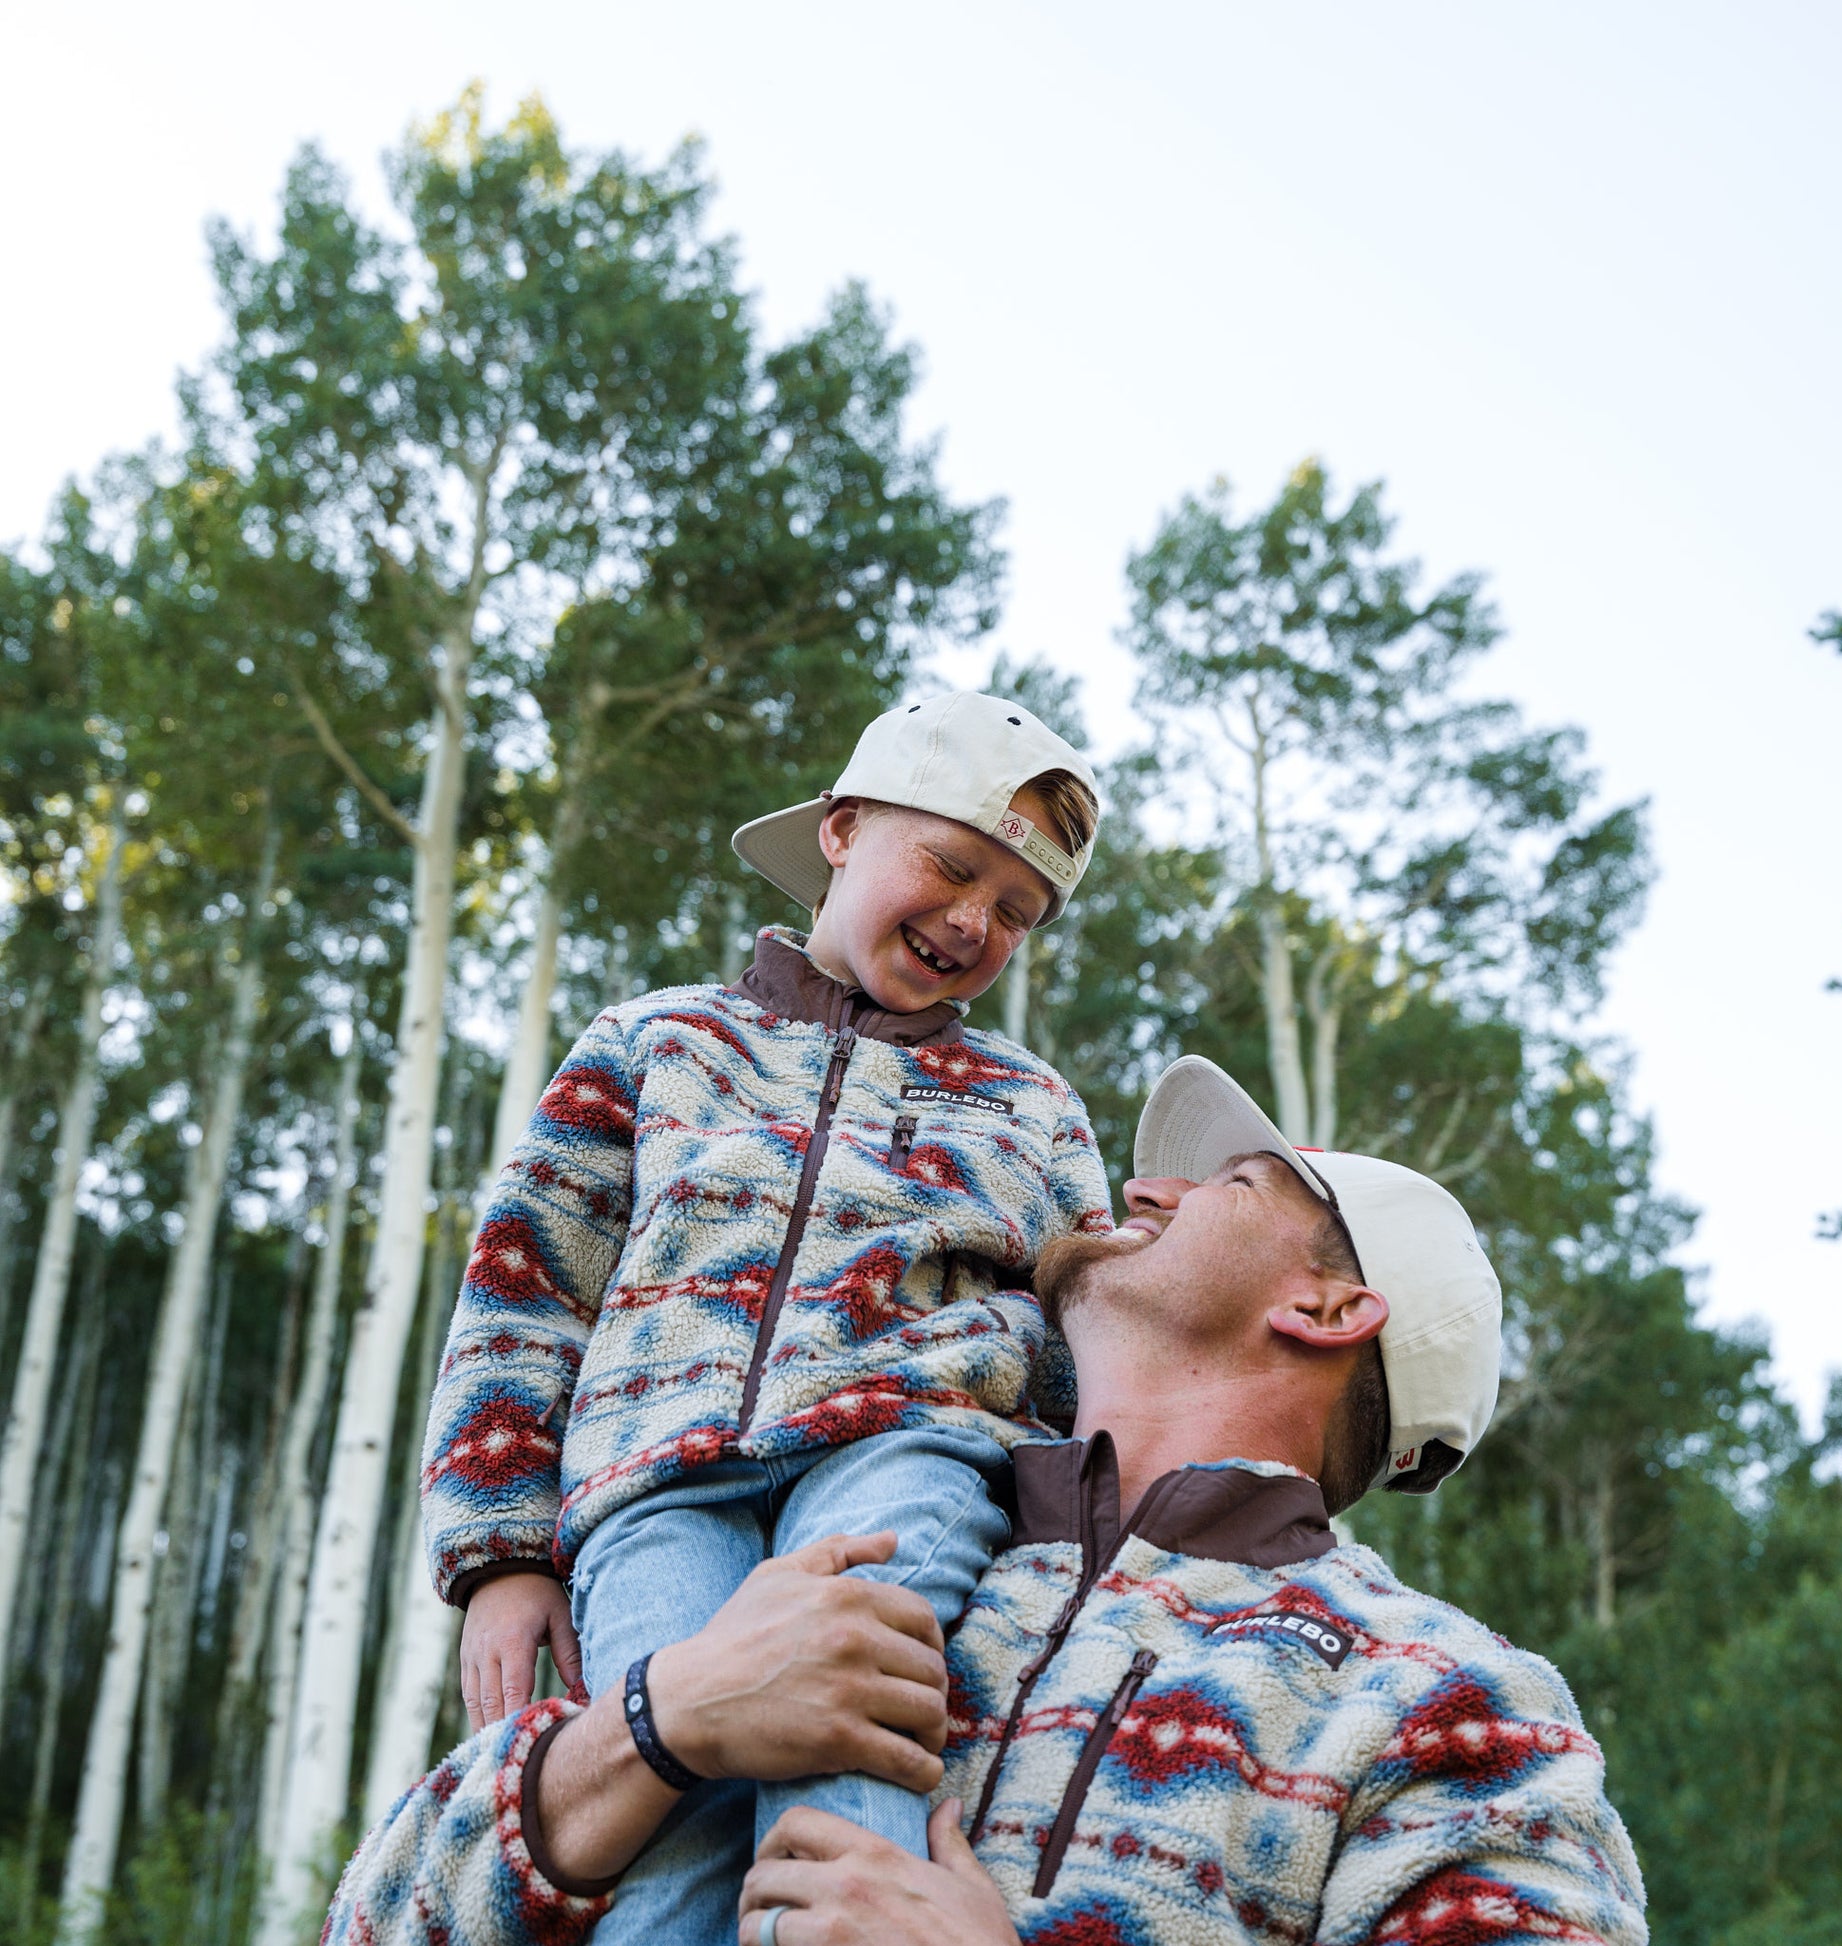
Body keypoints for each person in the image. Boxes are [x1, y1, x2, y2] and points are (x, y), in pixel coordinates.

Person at [335, 1054, 1646, 1946]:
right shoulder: (781, 1523)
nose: (1141, 1189)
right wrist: (653, 1723)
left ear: (1323, 1308)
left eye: (1227, 1185)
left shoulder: (1447, 1710)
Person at [420, 692, 1113, 1945]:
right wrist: (503, 1553)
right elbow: (526, 1293)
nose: (974, 920)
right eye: (952, 866)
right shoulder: (654, 1042)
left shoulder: (1032, 1106)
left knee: (844, 1747)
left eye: (1015, 910)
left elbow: (1080, 1353)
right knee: (668, 1795)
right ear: (841, 830)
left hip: (907, 1449)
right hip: (652, 1480)